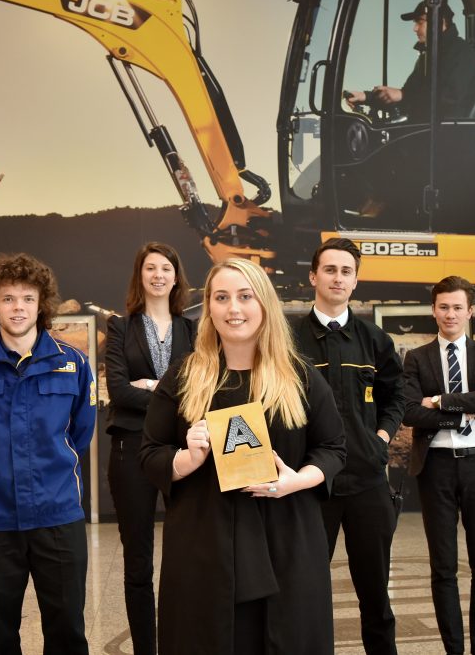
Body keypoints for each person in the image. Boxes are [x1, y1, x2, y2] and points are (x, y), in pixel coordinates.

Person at [140, 258, 345, 655]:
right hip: (204, 544)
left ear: (264, 304)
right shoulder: (183, 378)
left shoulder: (298, 376)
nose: (234, 309)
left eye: (245, 296)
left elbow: (334, 449)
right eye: (222, 298)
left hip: (285, 539)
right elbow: (150, 454)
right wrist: (186, 458)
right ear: (209, 308)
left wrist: (297, 480)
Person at [0, 253, 96, 655]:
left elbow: (80, 435)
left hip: (58, 516)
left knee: (67, 631)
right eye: (9, 299)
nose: (18, 308)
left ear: (41, 304)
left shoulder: (74, 364)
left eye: (28, 299)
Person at [292, 237, 404, 655]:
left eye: (346, 271)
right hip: (310, 486)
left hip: (367, 483)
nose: (338, 278)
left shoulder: (375, 340)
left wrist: (381, 438)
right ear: (313, 276)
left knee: (376, 596)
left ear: (356, 281)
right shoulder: (289, 339)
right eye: (330, 270)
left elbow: (398, 396)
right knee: (304, 594)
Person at [401, 276, 475, 655]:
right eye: (443, 306)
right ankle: (454, 651)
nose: (450, 314)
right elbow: (411, 413)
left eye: (458, 307)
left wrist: (441, 401)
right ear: (433, 310)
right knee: (443, 568)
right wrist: (462, 412)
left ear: (470, 312)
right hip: (436, 468)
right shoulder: (416, 357)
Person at [105, 243, 197, 655]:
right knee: (138, 562)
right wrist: (168, 394)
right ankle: (146, 648)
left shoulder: (192, 330)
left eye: (166, 268)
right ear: (139, 276)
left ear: (176, 277)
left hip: (184, 454)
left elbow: (199, 391)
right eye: (150, 268)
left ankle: (183, 641)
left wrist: (150, 385)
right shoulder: (120, 328)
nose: (158, 274)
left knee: (189, 555)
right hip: (130, 451)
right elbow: (119, 392)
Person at [345, 0, 475, 121]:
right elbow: (408, 99)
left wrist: (402, 95)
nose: (414, 28)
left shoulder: (462, 54)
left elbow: (448, 100)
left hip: (449, 141)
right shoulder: (427, 59)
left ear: (440, 22)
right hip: (427, 134)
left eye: (420, 22)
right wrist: (366, 97)